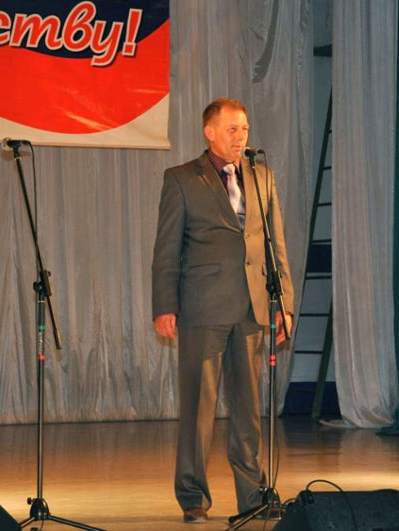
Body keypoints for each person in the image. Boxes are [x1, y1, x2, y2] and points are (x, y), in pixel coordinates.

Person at [151, 97, 294, 523]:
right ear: (209, 132)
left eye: (245, 129)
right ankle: (193, 495)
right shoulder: (181, 179)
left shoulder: (262, 176)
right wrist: (164, 305)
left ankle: (253, 495)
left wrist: (284, 304)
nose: (241, 137)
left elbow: (276, 246)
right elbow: (166, 249)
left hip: (251, 308)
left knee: (248, 410)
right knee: (199, 408)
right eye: (232, 129)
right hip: (202, 308)